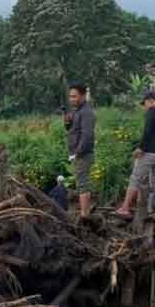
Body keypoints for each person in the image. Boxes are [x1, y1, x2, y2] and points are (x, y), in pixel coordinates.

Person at [115, 91, 155, 220]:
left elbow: (147, 131)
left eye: (145, 104)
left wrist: (141, 148)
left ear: (150, 100)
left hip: (149, 152)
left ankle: (125, 208)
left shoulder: (153, 111)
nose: (145, 107)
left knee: (135, 178)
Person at [65, 83, 97, 217]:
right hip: (78, 153)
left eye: (75, 96)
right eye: (70, 97)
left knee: (82, 183)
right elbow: (73, 130)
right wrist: (67, 123)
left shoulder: (86, 112)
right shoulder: (77, 111)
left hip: (83, 153)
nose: (72, 99)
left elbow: (87, 135)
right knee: (81, 182)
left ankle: (84, 214)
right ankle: (85, 212)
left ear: (83, 96)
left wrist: (78, 152)